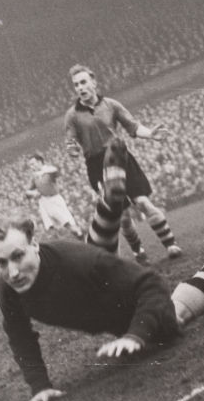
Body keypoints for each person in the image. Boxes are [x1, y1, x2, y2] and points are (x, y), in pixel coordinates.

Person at [0, 145, 204, 401]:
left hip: (129, 303)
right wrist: (40, 386)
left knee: (174, 316)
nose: (13, 272)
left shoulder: (73, 260)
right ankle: (110, 201)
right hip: (98, 286)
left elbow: (151, 284)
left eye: (18, 256)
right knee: (99, 247)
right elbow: (20, 336)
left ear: (35, 243)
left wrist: (136, 335)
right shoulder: (8, 288)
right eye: (1, 263)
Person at [64, 63, 182, 262]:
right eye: (76, 85)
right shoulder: (72, 115)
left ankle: (170, 244)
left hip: (120, 156)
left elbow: (133, 127)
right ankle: (138, 251)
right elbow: (71, 143)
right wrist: (73, 150)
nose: (80, 88)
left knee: (143, 202)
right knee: (124, 217)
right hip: (97, 166)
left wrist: (151, 134)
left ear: (93, 82)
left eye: (83, 82)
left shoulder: (111, 104)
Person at [25, 153, 84, 239]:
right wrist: (32, 193)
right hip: (44, 202)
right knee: (51, 227)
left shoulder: (49, 171)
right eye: (30, 165)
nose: (31, 167)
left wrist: (42, 171)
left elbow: (56, 170)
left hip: (55, 200)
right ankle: (62, 242)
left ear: (40, 162)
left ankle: (81, 236)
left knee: (68, 223)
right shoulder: (35, 176)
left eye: (33, 164)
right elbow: (27, 192)